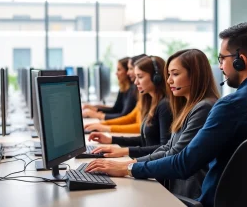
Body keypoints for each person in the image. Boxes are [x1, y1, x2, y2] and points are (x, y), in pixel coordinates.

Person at [85, 22, 247, 207]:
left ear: (240, 59)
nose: (220, 66)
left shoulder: (231, 106)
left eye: (222, 59)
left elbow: (185, 163)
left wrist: (128, 168)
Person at [89, 49, 220, 199]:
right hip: (175, 185)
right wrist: (131, 163)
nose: (169, 80)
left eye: (175, 74)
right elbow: (167, 147)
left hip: (187, 191)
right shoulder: (187, 106)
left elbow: (174, 153)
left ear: (195, 76)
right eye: (168, 74)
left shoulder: (204, 108)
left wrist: (128, 167)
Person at [89, 56, 172, 158]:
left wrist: (125, 151)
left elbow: (164, 148)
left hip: (153, 167)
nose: (135, 82)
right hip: (147, 162)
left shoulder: (165, 105)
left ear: (156, 78)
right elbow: (146, 139)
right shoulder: (150, 102)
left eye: (140, 77)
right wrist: (111, 139)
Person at [84, 54, 146, 133]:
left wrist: (103, 124)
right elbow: (128, 117)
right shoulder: (140, 96)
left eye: (130, 69)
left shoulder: (135, 91)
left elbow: (134, 122)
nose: (128, 73)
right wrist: (101, 124)